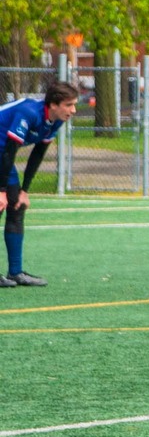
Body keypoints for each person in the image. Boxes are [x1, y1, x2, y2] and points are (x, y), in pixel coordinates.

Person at [0, 81, 79, 287]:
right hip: (3, 152)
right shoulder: (29, 113)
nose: (74, 110)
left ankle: (16, 272)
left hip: (3, 153)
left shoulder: (56, 121)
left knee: (17, 206)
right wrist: (1, 192)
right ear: (53, 104)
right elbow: (10, 150)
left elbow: (37, 154)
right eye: (69, 105)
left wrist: (24, 190)